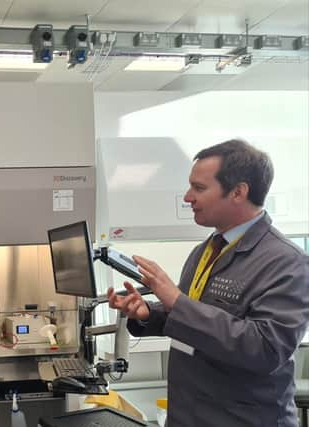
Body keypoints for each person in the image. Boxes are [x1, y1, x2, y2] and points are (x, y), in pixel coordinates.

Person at [108, 139, 309, 427]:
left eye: (199, 188)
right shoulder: (206, 250)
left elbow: (265, 349)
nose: (188, 197)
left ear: (239, 192)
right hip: (190, 413)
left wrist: (176, 301)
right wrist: (149, 314)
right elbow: (195, 319)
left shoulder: (286, 262)